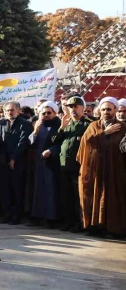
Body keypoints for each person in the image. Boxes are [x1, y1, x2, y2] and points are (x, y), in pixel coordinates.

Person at [77, 97, 125, 237]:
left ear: (115, 110)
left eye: (109, 109)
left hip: (115, 171)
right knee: (94, 198)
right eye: (103, 109)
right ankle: (95, 228)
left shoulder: (122, 128)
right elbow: (85, 144)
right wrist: (104, 133)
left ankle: (112, 229)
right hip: (95, 171)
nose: (106, 112)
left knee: (112, 199)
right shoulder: (93, 126)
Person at [50, 96, 92, 232]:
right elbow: (54, 141)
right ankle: (68, 221)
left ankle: (79, 224)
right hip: (64, 165)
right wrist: (62, 127)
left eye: (76, 106)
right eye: (70, 107)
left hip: (78, 166)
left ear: (82, 108)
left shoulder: (88, 123)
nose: (73, 109)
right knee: (66, 196)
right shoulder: (66, 123)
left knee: (77, 197)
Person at [0, 102, 31, 225]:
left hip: (18, 161)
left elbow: (23, 142)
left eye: (12, 110)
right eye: (7, 110)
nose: (10, 112)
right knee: (5, 189)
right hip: (4, 161)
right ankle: (7, 213)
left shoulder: (25, 124)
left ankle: (17, 215)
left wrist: (14, 158)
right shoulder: (1, 124)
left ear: (18, 110)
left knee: (17, 189)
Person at [30, 102, 62, 227]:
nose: (46, 115)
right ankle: (38, 216)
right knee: (39, 190)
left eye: (49, 113)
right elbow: (31, 143)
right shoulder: (40, 126)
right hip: (40, 163)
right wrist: (35, 131)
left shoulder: (59, 125)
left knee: (51, 191)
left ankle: (51, 218)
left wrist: (52, 151)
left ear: (55, 113)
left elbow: (62, 142)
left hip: (53, 163)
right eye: (44, 113)